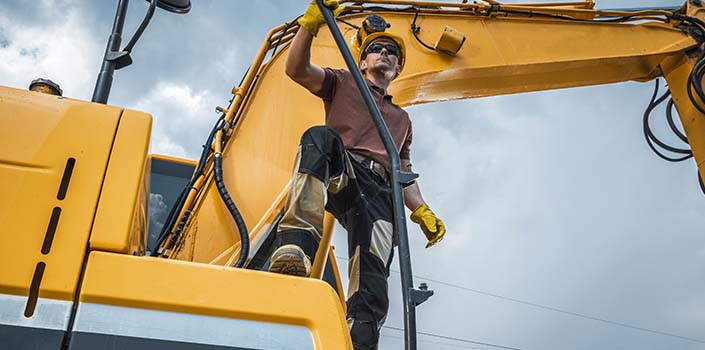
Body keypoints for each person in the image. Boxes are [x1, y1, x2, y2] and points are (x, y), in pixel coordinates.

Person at [268, 1, 446, 348]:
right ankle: (295, 248)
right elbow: (297, 69)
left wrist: (421, 210)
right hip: (344, 170)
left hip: (379, 193)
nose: (384, 52)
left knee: (373, 276)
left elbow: (403, 172)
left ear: (397, 67)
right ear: (363, 61)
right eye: (376, 49)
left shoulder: (402, 120)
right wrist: (310, 25)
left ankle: (360, 341)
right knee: (319, 138)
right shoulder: (343, 81)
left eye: (391, 51)